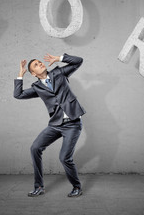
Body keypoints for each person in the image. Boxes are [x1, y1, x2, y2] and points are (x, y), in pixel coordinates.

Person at [13, 53, 86, 197]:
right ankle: (39, 186)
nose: (40, 64)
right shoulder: (37, 87)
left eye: (40, 62)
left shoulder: (59, 73)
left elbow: (79, 61)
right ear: (33, 73)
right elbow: (18, 94)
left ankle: (77, 187)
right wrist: (20, 74)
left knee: (64, 158)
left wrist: (59, 58)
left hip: (72, 124)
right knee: (35, 148)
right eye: (36, 65)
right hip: (55, 124)